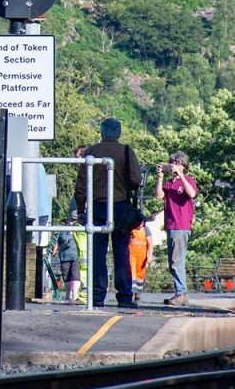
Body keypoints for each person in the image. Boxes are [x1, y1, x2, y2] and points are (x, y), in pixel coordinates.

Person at [75, 117, 142, 308]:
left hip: (97, 206)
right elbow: (136, 180)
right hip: (120, 206)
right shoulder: (127, 151)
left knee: (97, 252)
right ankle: (125, 296)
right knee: (121, 252)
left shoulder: (92, 152)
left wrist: (81, 210)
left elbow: (81, 187)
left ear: (102, 133)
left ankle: (97, 296)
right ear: (118, 133)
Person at [156, 151, 198, 307]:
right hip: (171, 225)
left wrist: (180, 175)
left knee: (176, 260)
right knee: (173, 261)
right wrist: (160, 177)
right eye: (171, 162)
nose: (172, 164)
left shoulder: (188, 180)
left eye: (175, 162)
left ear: (183, 165)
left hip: (181, 225)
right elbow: (159, 196)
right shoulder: (169, 183)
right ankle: (180, 292)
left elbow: (192, 194)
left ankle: (181, 293)